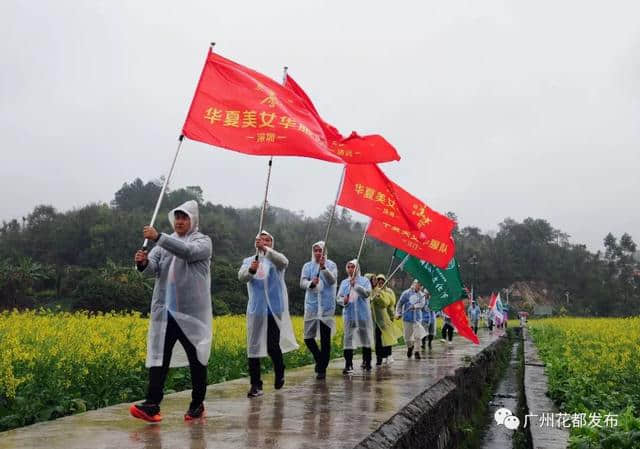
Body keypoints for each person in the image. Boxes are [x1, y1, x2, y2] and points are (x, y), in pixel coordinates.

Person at [130, 200, 212, 422]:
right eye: (177, 217)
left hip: (192, 314)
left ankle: (197, 404)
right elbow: (153, 268)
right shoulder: (163, 244)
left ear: (193, 219)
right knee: (159, 358)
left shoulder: (203, 242)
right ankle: (152, 405)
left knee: (197, 360)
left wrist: (158, 237)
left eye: (184, 217)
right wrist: (143, 263)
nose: (179, 221)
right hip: (166, 312)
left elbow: (188, 252)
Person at [239, 230, 299, 398]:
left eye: (268, 240)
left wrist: (267, 251)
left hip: (274, 309)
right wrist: (251, 270)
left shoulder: (276, 261)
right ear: (255, 242)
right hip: (256, 309)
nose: (264, 242)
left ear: (272, 244)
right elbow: (242, 277)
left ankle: (280, 370)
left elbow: (284, 262)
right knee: (253, 347)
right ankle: (255, 385)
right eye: (261, 240)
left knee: (272, 345)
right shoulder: (249, 261)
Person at [300, 241, 338, 380]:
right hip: (312, 306)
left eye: (320, 250)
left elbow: (332, 280)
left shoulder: (332, 265)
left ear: (325, 252)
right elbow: (302, 282)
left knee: (325, 339)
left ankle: (322, 369)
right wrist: (311, 283)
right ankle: (319, 358)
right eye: (315, 250)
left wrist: (323, 268)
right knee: (308, 337)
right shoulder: (307, 266)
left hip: (327, 307)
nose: (317, 253)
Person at [337, 260, 374, 374]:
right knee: (348, 339)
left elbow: (367, 293)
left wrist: (356, 286)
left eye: (352, 267)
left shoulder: (364, 281)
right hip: (349, 315)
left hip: (363, 315)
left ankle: (367, 362)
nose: (350, 269)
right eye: (348, 267)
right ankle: (348, 365)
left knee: (365, 339)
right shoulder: (344, 282)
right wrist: (344, 301)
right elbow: (338, 298)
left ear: (357, 268)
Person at [370, 274, 399, 366]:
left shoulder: (389, 291)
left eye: (382, 281)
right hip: (376, 319)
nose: (381, 283)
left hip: (387, 317)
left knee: (387, 338)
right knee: (378, 339)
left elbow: (391, 303)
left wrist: (392, 315)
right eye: (379, 281)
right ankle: (379, 357)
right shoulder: (373, 290)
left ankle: (388, 355)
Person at [396, 280, 427, 359]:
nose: (419, 286)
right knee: (407, 337)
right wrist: (398, 313)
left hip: (417, 318)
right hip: (407, 318)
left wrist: (415, 306)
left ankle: (417, 351)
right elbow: (400, 303)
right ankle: (410, 347)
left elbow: (422, 304)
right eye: (418, 284)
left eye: (421, 285)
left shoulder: (422, 295)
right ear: (414, 284)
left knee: (418, 336)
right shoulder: (406, 293)